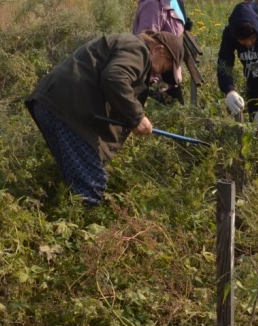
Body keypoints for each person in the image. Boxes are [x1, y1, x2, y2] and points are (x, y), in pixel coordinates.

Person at [26, 30, 184, 206]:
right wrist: (137, 117)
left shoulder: (128, 44)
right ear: (159, 49)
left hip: (52, 104)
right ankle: (86, 230)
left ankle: (67, 222)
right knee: (91, 184)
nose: (161, 73)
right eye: (165, 65)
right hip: (67, 110)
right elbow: (115, 78)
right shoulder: (139, 50)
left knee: (77, 179)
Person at [131, 0, 194, 103]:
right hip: (158, 75)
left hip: (168, 68)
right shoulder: (152, 5)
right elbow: (146, 41)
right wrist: (154, 81)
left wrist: (183, 23)